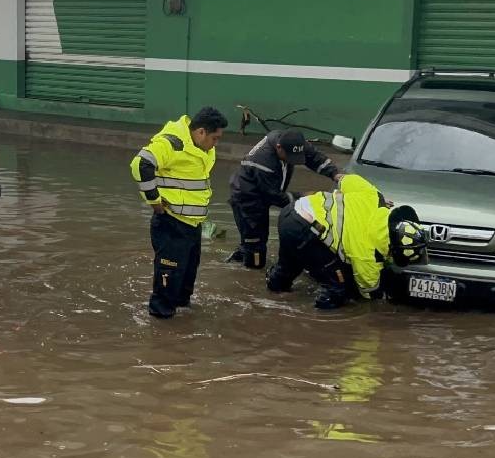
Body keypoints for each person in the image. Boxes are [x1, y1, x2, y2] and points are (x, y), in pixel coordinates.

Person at [265, 174, 428, 309]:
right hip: (306, 231)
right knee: (337, 289)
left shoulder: (374, 196)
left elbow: (346, 180)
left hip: (292, 211)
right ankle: (317, 329)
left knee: (289, 267)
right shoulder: (368, 257)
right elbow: (370, 293)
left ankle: (270, 295)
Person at [130, 107, 228, 319]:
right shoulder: (171, 143)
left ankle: (182, 314)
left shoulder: (202, 147)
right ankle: (161, 325)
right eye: (215, 138)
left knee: (187, 276)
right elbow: (141, 164)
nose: (216, 143)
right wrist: (154, 201)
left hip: (192, 224)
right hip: (171, 222)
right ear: (201, 132)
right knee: (169, 278)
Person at [227, 130, 340, 269]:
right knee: (256, 245)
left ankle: (242, 255)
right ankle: (249, 272)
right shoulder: (263, 162)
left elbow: (313, 156)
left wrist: (335, 173)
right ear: (279, 147)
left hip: (262, 190)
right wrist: (304, 197)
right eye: (290, 157)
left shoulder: (293, 141)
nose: (292, 161)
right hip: (248, 199)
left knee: (254, 241)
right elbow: (274, 197)